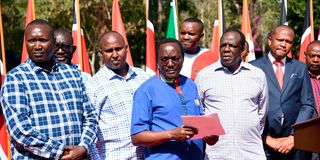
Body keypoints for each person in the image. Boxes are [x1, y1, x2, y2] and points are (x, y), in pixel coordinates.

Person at [0, 19, 98, 159]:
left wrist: (83, 147)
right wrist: (62, 153)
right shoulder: (16, 78)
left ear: (53, 41)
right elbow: (21, 131)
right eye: (32, 41)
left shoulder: (72, 73)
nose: (37, 46)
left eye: (43, 40)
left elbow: (90, 117)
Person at [131, 38, 218, 160]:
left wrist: (209, 136)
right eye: (164, 59)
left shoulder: (190, 84)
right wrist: (171, 134)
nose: (170, 64)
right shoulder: (145, 91)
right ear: (157, 61)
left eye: (175, 58)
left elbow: (198, 124)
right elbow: (137, 137)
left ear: (182, 59)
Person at [195, 29, 268, 160]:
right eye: (223, 45)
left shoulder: (258, 75)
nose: (226, 49)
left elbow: (261, 114)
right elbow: (199, 112)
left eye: (232, 46)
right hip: (216, 154)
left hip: (251, 152)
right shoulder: (203, 76)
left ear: (242, 50)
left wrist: (247, 129)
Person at [250, 25, 315, 160]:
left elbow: (307, 104)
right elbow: (247, 106)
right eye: (280, 40)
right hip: (262, 144)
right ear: (270, 40)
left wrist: (294, 136)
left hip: (294, 145)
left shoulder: (300, 68)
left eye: (288, 42)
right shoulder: (253, 68)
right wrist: (265, 137)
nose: (284, 44)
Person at [87, 31, 149, 159]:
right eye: (109, 51)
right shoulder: (93, 86)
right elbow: (89, 129)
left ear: (126, 49)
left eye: (118, 49)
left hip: (148, 156)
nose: (115, 55)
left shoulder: (143, 77)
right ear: (101, 54)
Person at [305, 40, 320, 115]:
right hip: (308, 125)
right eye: (312, 56)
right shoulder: (298, 77)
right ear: (305, 55)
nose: (315, 60)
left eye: (319, 57)